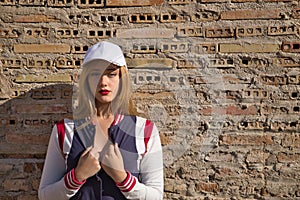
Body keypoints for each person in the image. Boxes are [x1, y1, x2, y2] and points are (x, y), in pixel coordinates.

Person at [38, 41, 164, 200]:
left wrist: (122, 178)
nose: (103, 82)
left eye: (111, 74)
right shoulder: (65, 130)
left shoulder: (144, 130)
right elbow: (45, 195)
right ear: (86, 80)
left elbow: (156, 196)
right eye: (95, 74)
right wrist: (76, 177)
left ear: (121, 78)